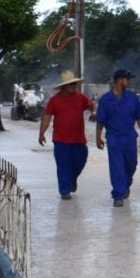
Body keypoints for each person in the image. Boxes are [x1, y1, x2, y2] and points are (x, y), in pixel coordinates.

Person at [39, 71, 95, 201]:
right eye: (70, 85)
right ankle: (65, 191)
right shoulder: (54, 100)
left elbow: (91, 105)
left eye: (74, 84)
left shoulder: (80, 97)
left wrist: (93, 112)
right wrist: (41, 134)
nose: (73, 86)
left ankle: (72, 178)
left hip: (79, 139)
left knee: (81, 161)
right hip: (60, 140)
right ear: (64, 86)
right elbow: (47, 118)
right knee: (63, 165)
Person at [96, 69, 140, 207]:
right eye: (127, 79)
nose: (129, 81)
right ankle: (118, 194)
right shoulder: (105, 99)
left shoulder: (132, 98)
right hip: (113, 137)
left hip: (129, 137)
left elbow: (139, 116)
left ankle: (125, 184)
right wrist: (98, 137)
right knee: (117, 166)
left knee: (132, 164)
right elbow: (100, 120)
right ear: (119, 80)